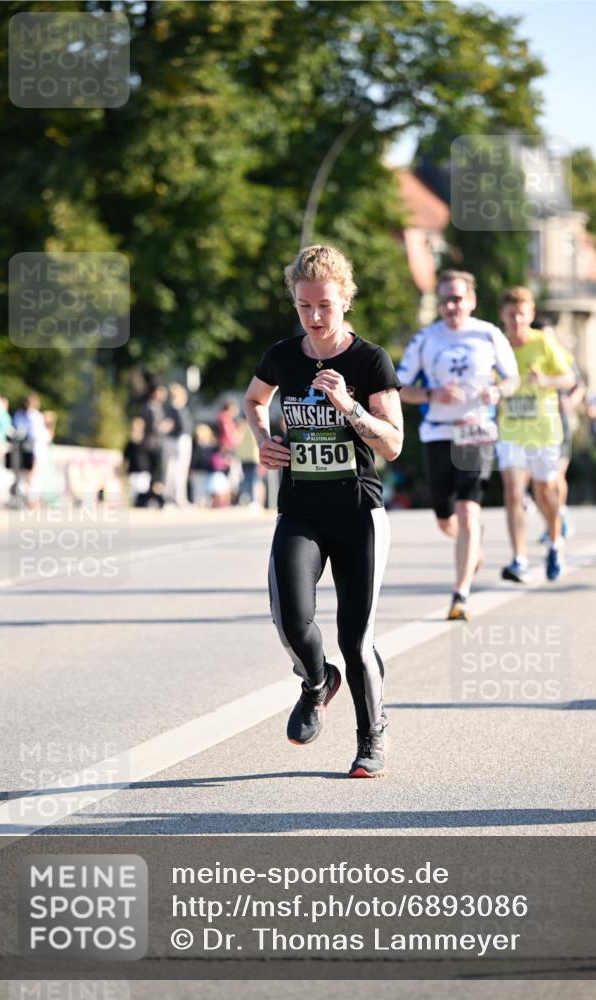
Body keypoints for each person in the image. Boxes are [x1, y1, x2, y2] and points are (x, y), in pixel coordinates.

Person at [244, 244, 403, 777]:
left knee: (355, 638)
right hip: (301, 511)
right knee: (289, 619)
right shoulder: (283, 356)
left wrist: (350, 407)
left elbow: (394, 444)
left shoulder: (369, 360)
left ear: (346, 301)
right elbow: (253, 400)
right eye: (304, 306)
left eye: (325, 306)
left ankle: (371, 736)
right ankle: (316, 682)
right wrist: (262, 439)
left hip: (358, 512)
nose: (314, 317)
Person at [398, 269, 519, 620]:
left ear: (472, 300)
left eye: (459, 298)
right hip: (437, 430)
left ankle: (460, 594)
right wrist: (433, 393)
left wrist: (496, 390)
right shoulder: (425, 338)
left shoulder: (489, 334)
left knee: (468, 511)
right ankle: (472, 546)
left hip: (476, 430)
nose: (452, 306)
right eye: (446, 299)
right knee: (446, 518)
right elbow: (399, 387)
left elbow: (512, 378)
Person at [495, 288, 575, 583]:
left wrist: (547, 380)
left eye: (522, 314)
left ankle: (555, 543)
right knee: (514, 492)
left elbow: (569, 378)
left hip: (543, 430)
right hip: (511, 430)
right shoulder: (499, 345)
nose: (516, 320)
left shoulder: (544, 343)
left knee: (545, 493)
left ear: (530, 315)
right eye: (511, 314)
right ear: (503, 316)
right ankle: (520, 559)